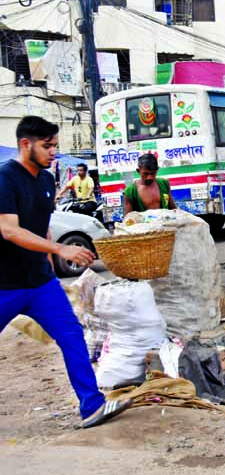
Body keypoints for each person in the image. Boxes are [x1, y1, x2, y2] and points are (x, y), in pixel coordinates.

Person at [0, 116, 131, 428]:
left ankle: (92, 406)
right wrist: (60, 250)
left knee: (71, 334)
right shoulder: (6, 178)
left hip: (41, 285)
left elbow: (41, 227)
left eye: (55, 145)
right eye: (47, 146)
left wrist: (49, 263)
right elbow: (9, 230)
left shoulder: (46, 181)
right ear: (25, 144)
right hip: (4, 285)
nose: (53, 152)